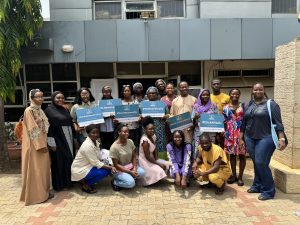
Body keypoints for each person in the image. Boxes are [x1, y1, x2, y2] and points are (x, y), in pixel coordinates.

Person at [240, 83, 286, 200]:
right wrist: (241, 138)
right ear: (252, 91)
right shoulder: (250, 104)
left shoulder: (271, 104)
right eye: (256, 89)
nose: (258, 91)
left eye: (260, 89)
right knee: (256, 162)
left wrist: (281, 138)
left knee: (261, 162)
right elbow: (244, 122)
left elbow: (278, 123)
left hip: (266, 137)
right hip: (250, 137)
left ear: (264, 91)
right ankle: (257, 185)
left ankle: (269, 190)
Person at [20, 89, 53, 205]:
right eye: (37, 97)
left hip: (42, 142)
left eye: (42, 97)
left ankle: (44, 192)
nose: (40, 99)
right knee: (35, 170)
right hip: (34, 146)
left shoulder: (40, 110)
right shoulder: (29, 111)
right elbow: (32, 129)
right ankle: (36, 196)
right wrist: (40, 145)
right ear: (32, 98)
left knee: (43, 170)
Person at [71, 124, 116, 194]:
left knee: (106, 163)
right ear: (88, 134)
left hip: (88, 166)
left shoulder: (96, 142)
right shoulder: (87, 145)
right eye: (93, 133)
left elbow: (97, 158)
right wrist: (111, 167)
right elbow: (95, 163)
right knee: (104, 172)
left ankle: (83, 180)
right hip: (80, 170)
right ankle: (86, 185)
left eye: (97, 132)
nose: (96, 135)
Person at [44, 91, 74, 191]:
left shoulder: (64, 109)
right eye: (58, 98)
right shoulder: (48, 110)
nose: (60, 100)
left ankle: (68, 182)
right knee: (58, 161)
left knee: (69, 159)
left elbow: (70, 121)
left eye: (62, 98)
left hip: (68, 139)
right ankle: (59, 184)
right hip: (58, 139)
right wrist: (51, 143)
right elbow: (48, 128)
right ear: (53, 99)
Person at [109, 125, 145, 191]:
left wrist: (134, 168)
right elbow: (116, 165)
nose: (127, 133)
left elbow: (134, 156)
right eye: (124, 132)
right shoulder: (114, 147)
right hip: (119, 170)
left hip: (130, 166)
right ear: (119, 132)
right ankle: (115, 182)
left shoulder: (130, 142)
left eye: (128, 132)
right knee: (131, 184)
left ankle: (130, 177)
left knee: (142, 173)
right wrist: (130, 172)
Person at [223, 88, 246, 186]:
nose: (235, 95)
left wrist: (244, 135)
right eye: (233, 94)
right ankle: (234, 175)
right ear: (230, 95)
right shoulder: (225, 107)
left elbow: (246, 120)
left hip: (241, 133)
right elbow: (223, 121)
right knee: (232, 155)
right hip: (230, 134)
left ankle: (240, 177)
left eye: (237, 94)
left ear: (239, 95)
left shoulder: (244, 106)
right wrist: (224, 132)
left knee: (242, 155)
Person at [139, 117, 168, 186]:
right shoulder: (145, 141)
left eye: (153, 129)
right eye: (149, 129)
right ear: (145, 129)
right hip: (145, 161)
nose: (152, 130)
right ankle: (150, 180)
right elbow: (147, 156)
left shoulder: (153, 136)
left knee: (167, 165)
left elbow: (155, 148)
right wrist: (158, 164)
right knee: (160, 171)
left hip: (152, 159)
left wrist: (157, 159)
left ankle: (155, 178)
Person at [191, 88, 218, 155]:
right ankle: (197, 163)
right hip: (199, 131)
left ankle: (210, 164)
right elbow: (192, 120)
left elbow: (217, 119)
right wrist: (195, 117)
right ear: (200, 96)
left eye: (207, 95)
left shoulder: (214, 105)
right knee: (198, 147)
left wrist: (218, 133)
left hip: (211, 131)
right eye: (203, 95)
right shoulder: (196, 106)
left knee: (211, 147)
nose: (206, 96)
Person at [145, 86, 169, 152]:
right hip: (147, 129)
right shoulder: (143, 104)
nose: (152, 94)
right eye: (150, 93)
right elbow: (138, 115)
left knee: (160, 144)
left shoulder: (162, 104)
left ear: (157, 94)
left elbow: (168, 115)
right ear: (147, 95)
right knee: (148, 144)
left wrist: (166, 116)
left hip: (160, 128)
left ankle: (161, 160)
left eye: (153, 93)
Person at [210, 78, 229, 148]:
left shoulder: (227, 97)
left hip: (224, 124)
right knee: (214, 142)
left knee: (224, 143)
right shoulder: (208, 97)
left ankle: (225, 159)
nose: (216, 85)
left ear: (221, 85)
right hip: (212, 123)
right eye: (214, 84)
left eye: (218, 84)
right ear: (211, 85)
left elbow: (230, 110)